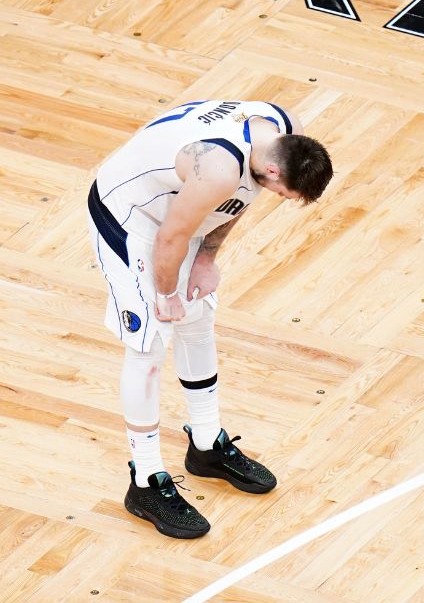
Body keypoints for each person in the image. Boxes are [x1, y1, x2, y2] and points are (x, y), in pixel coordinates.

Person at [88, 99, 333, 538]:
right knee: (149, 345)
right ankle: (144, 481)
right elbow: (170, 236)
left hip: (182, 212)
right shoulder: (217, 169)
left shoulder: (280, 130)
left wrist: (207, 258)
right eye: (283, 194)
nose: (276, 198)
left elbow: (239, 200)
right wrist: (164, 295)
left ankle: (206, 446)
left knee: (198, 320)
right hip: (133, 218)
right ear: (277, 172)